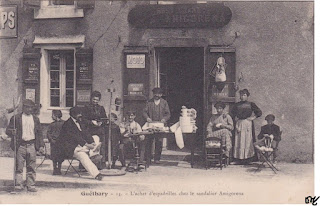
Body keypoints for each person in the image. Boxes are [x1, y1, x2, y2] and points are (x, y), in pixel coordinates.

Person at [6, 99, 44, 192]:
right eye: (28, 107)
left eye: (31, 107)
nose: (30, 109)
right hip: (20, 145)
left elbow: (39, 133)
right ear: (24, 108)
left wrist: (41, 145)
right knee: (19, 166)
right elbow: (8, 131)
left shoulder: (35, 119)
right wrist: (12, 132)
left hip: (32, 145)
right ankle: (18, 185)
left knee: (31, 166)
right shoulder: (16, 118)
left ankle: (30, 185)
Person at [57, 106, 103, 180]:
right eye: (79, 114)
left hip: (80, 145)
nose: (81, 115)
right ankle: (96, 174)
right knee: (83, 156)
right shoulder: (67, 124)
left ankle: (92, 152)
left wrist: (92, 142)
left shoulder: (80, 121)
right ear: (74, 115)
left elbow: (86, 133)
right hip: (71, 147)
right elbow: (75, 138)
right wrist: (87, 145)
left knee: (96, 137)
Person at [231, 89, 262, 164]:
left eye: (244, 95)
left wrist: (252, 118)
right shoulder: (237, 105)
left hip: (247, 124)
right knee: (239, 141)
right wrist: (235, 119)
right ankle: (238, 159)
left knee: (248, 141)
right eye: (241, 95)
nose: (242, 96)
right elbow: (232, 114)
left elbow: (259, 112)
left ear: (247, 96)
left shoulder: (251, 104)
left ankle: (248, 159)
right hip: (239, 124)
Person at [143, 87, 170, 164]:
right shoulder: (149, 102)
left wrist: (164, 119)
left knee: (159, 142)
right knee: (149, 141)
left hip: (160, 125)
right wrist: (147, 118)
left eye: (158, 94)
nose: (157, 95)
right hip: (151, 124)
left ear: (161, 95)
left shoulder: (164, 103)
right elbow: (144, 112)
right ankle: (148, 158)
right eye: (155, 94)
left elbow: (168, 114)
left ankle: (157, 159)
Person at [82, 91, 108, 167]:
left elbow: (105, 119)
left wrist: (101, 122)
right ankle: (85, 165)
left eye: (97, 100)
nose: (95, 101)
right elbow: (83, 119)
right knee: (88, 146)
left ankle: (101, 164)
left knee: (101, 146)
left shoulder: (101, 108)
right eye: (94, 99)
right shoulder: (86, 107)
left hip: (99, 130)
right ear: (91, 99)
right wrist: (91, 122)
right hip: (89, 130)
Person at [47, 110, 64, 175]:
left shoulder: (64, 124)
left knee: (60, 156)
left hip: (61, 143)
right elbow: (48, 133)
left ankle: (59, 169)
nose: (51, 116)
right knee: (54, 156)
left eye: (52, 115)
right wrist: (51, 139)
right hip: (53, 143)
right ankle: (55, 169)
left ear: (56, 116)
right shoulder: (52, 124)